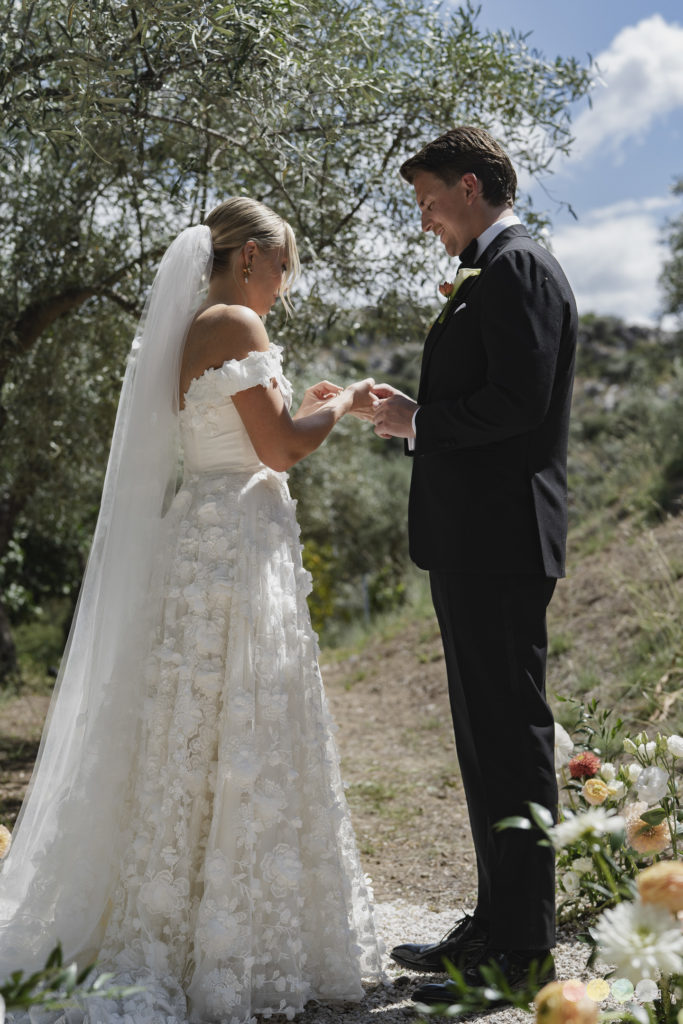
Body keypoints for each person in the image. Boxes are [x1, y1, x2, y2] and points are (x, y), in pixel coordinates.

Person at [0, 197, 384, 1023]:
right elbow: (280, 447)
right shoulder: (234, 323)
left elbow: (252, 433)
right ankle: (227, 934)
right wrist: (346, 403)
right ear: (248, 258)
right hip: (232, 547)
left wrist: (304, 410)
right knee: (236, 719)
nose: (284, 283)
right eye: (282, 265)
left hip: (207, 535)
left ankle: (190, 919)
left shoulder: (194, 327)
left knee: (193, 725)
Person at [372, 126, 577, 1006]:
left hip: (500, 542)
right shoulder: (487, 270)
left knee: (510, 741)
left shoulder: (518, 267)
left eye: (427, 201)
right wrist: (413, 412)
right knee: (483, 740)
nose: (423, 219)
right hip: (474, 541)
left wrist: (418, 421)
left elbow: (517, 402)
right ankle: (494, 924)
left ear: (467, 185)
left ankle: (523, 953)